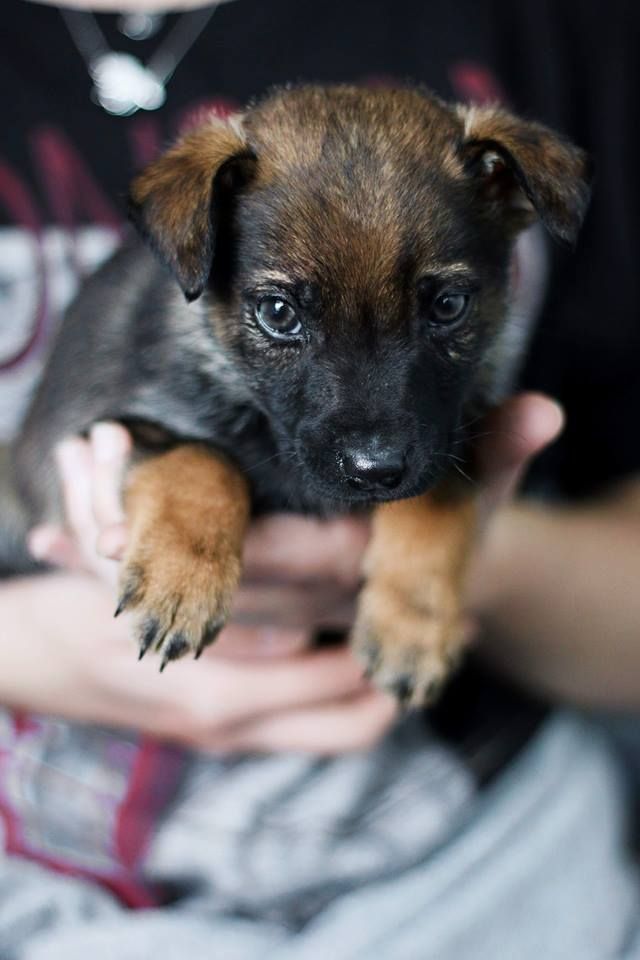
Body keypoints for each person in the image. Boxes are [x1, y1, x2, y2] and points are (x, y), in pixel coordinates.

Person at [0, 0, 639, 957]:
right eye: (284, 316)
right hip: (57, 870)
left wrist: (464, 561)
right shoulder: (204, 210)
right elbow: (141, 439)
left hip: (471, 844)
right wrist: (22, 645)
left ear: (511, 208)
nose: (375, 435)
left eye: (443, 306)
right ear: (194, 255)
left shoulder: (551, 32)